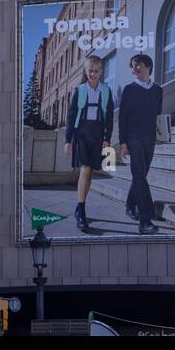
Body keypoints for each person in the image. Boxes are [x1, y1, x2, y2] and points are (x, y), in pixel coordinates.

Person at [64, 54, 114, 230]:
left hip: (98, 134)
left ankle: (80, 205)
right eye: (90, 70)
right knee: (85, 168)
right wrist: (67, 139)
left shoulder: (106, 90)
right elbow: (71, 115)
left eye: (96, 71)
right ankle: (81, 211)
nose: (93, 73)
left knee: (90, 171)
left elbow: (109, 116)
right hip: (82, 133)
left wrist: (107, 138)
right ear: (86, 71)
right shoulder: (81, 90)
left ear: (101, 72)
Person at [117, 53, 163, 235]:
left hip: (149, 138)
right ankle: (145, 220)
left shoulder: (157, 90)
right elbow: (122, 118)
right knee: (138, 173)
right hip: (133, 137)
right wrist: (122, 142)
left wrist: (160, 135)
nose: (134, 69)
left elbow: (158, 115)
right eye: (132, 66)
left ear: (148, 66)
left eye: (137, 65)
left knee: (141, 174)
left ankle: (130, 205)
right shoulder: (129, 89)